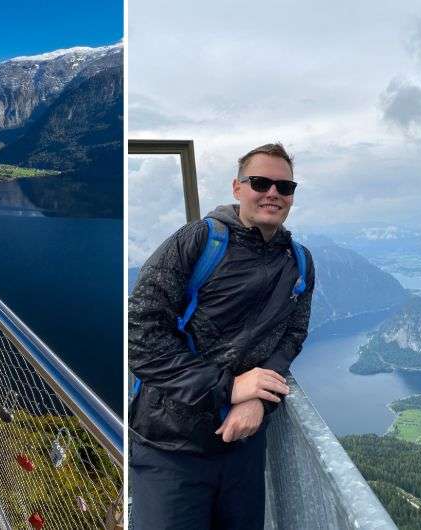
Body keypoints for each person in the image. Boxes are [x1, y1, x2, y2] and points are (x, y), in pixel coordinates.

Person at [128, 143, 315, 529]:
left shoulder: (298, 261)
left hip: (242, 450)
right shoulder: (197, 242)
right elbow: (139, 336)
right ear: (237, 187)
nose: (273, 194)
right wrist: (229, 389)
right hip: (171, 451)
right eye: (261, 182)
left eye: (285, 186)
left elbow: (292, 335)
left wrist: (260, 400)